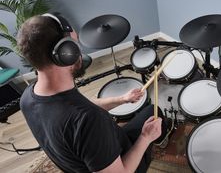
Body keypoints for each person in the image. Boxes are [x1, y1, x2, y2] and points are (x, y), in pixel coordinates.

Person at [17, 14, 172, 173]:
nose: (79, 50)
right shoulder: (90, 120)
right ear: (66, 52)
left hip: (88, 161)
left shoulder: (28, 98)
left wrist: (123, 99)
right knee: (153, 112)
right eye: (75, 44)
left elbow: (82, 108)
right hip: (125, 166)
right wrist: (146, 138)